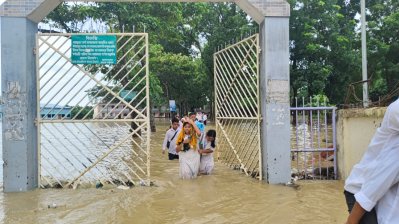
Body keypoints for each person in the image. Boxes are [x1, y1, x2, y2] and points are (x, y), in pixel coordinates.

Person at [344, 99, 399, 224]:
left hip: (378, 192)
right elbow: (374, 187)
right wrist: (351, 221)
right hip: (361, 187)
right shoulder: (397, 109)